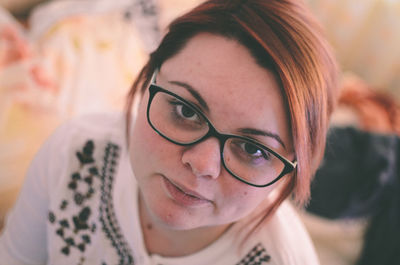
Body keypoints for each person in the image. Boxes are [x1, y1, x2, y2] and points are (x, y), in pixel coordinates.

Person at [0, 0, 338, 264]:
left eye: (252, 149)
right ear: (148, 80)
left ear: (290, 168)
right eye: (186, 111)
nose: (202, 164)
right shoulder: (74, 153)